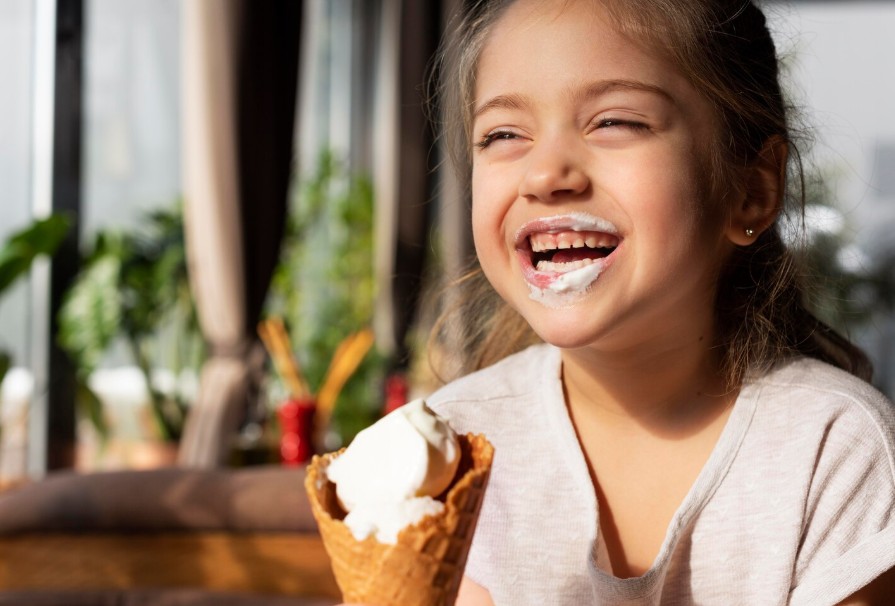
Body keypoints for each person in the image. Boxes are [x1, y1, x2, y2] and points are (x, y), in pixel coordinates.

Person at [342, 0, 895, 603]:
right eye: (503, 134)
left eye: (616, 122)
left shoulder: (835, 449)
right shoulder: (447, 449)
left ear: (751, 190)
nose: (546, 173)